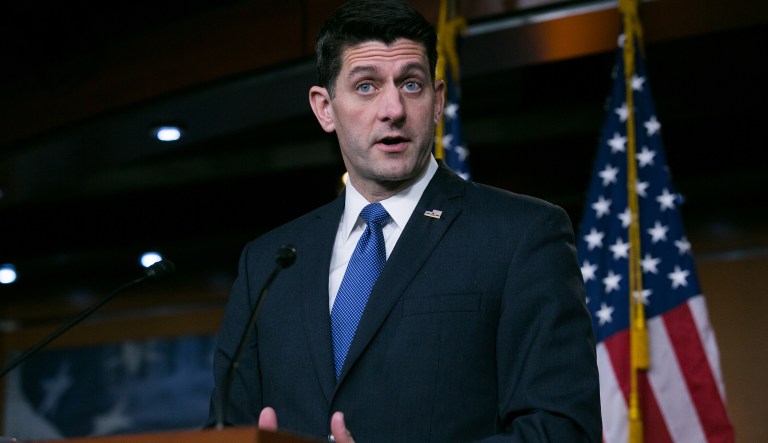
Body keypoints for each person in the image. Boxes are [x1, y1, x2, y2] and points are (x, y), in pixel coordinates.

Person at [208, 0, 601, 441]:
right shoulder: (267, 263)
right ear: (324, 108)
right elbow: (225, 428)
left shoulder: (521, 235)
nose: (393, 108)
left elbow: (562, 431)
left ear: (438, 102)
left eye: (412, 85)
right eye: (366, 86)